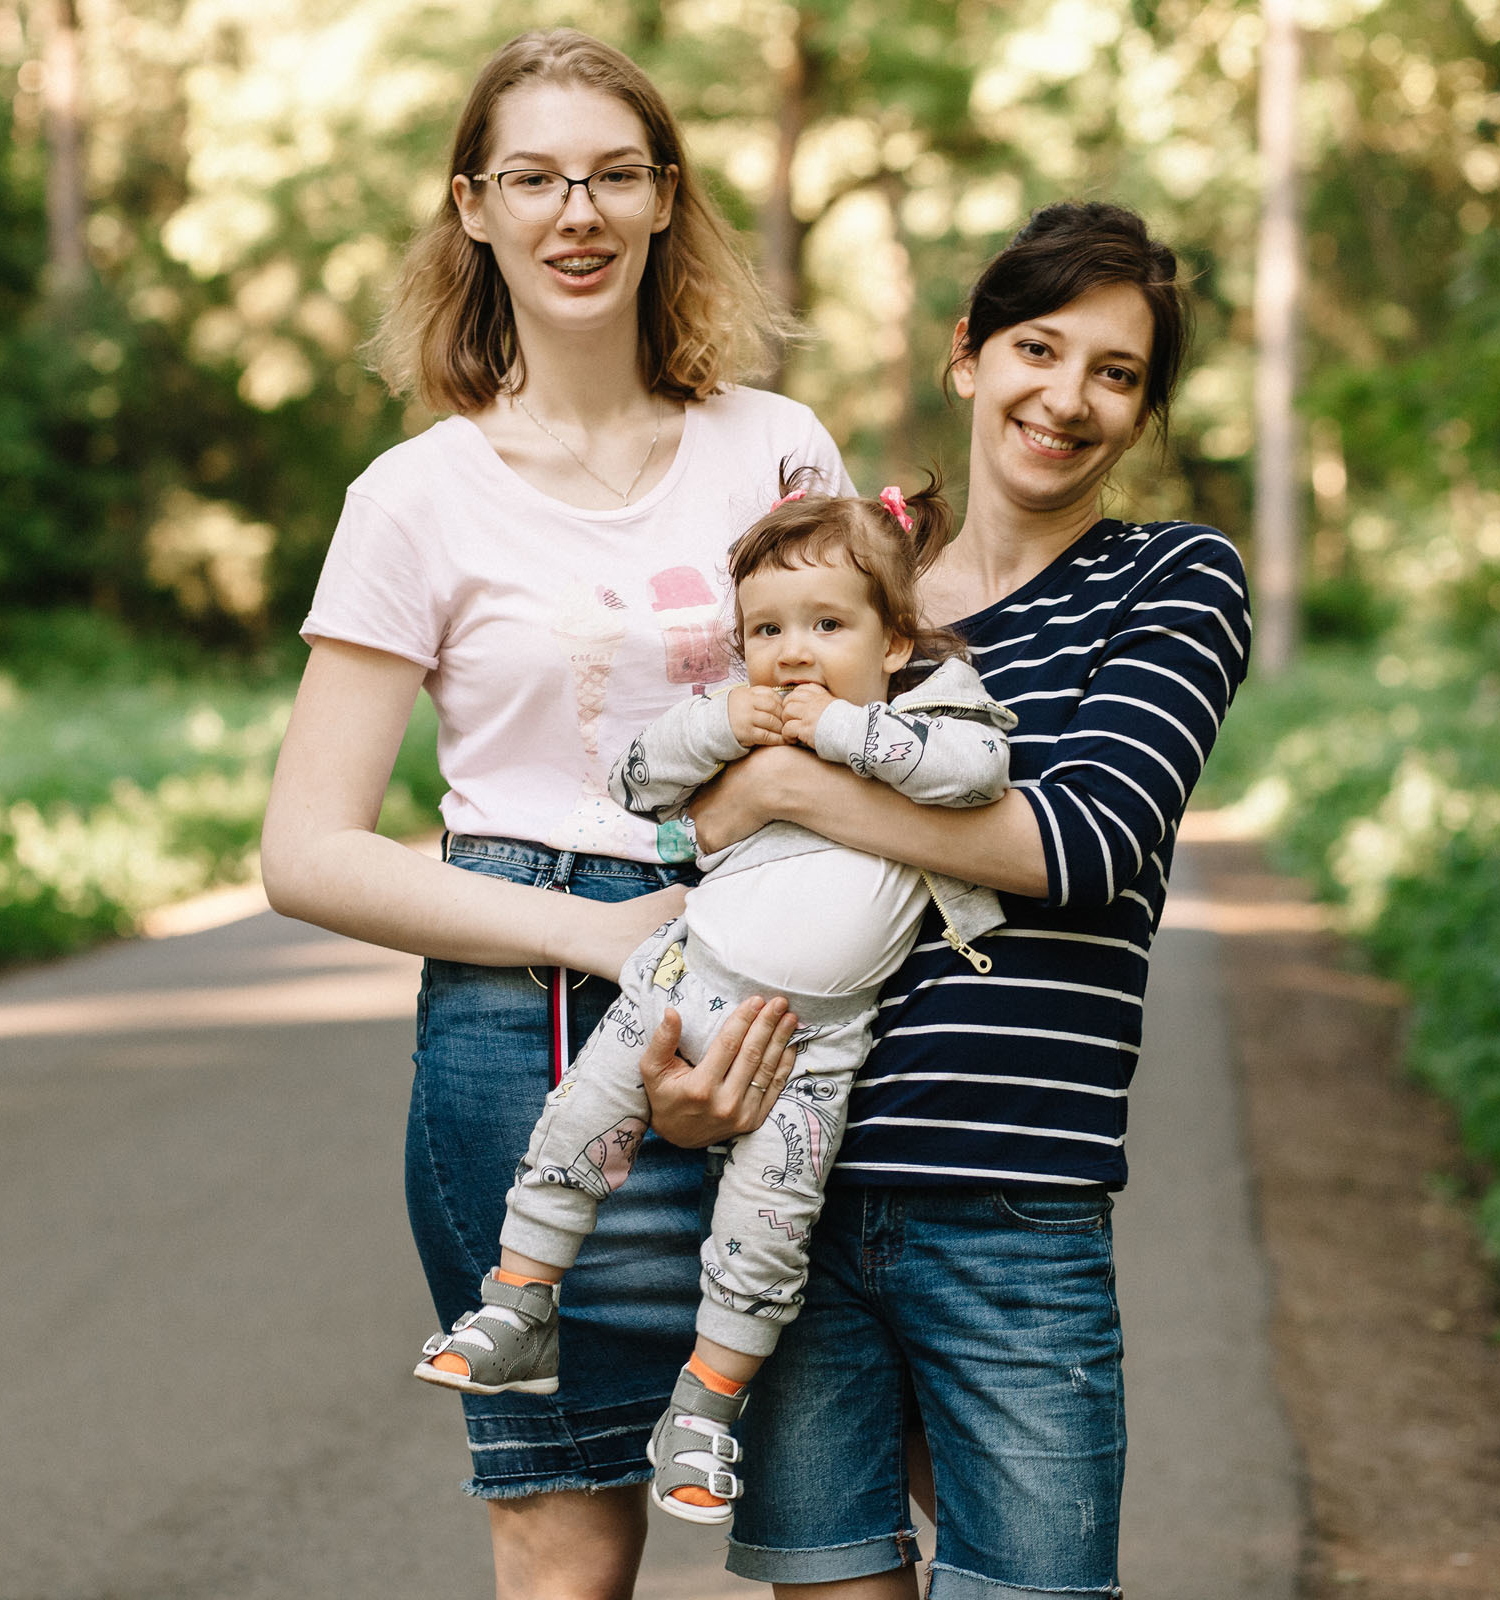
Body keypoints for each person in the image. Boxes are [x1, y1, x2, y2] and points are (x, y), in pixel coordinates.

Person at [259, 28, 851, 1600]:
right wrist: (598, 932)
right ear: (474, 207)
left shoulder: (777, 450)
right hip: (523, 1028)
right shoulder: (415, 497)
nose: (573, 212)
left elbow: (869, 713)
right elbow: (306, 851)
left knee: (841, 1529)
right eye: (533, 177)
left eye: (611, 173)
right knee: (568, 1540)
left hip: (780, 991)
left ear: (666, 198)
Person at [684, 201, 1255, 1599]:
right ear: (967, 357)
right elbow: (706, 826)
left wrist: (798, 789)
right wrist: (688, 1080)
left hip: (1014, 1202)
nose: (1066, 399)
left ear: (1142, 409)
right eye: (1038, 349)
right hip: (793, 1190)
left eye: (1115, 373)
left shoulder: (1175, 579)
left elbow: (1086, 842)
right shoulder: (856, 589)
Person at [412, 478, 1018, 1527]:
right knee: (573, 1129)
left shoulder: (927, 714)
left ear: (893, 641)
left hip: (813, 1045)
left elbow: (977, 773)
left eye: (828, 624)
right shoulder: (736, 726)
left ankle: (706, 1403)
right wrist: (720, 723)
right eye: (767, 631)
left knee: (766, 1231)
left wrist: (839, 732)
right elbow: (640, 781)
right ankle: (520, 1300)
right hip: (678, 982)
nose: (794, 652)